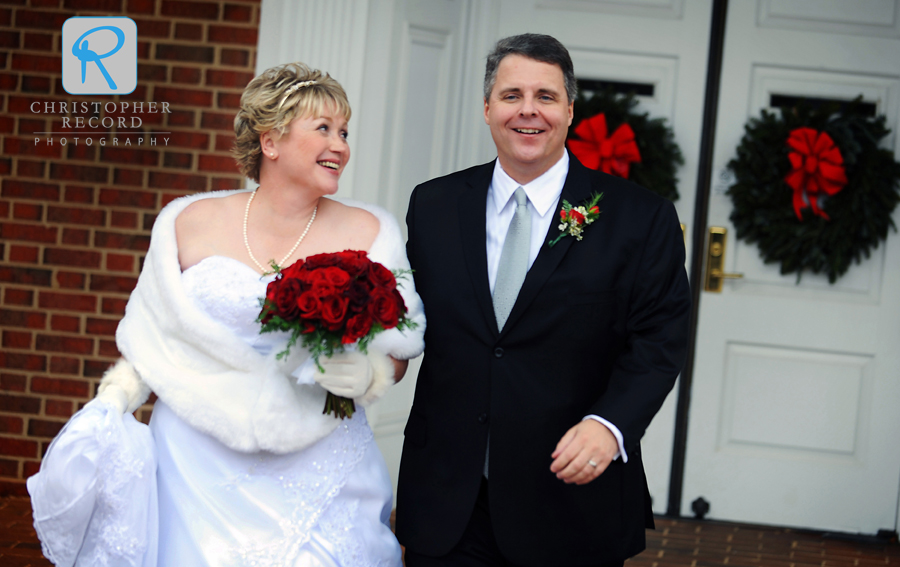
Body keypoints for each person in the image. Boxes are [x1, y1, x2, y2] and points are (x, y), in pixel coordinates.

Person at [28, 62, 425, 567]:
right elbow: (155, 334)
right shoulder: (188, 221)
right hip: (195, 460)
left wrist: (365, 373)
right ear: (271, 141)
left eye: (344, 131)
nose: (341, 145)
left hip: (317, 451)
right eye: (323, 129)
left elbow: (399, 349)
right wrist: (117, 396)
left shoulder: (371, 230)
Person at [396, 34, 691, 567]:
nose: (527, 110)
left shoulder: (638, 218)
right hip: (449, 501)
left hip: (570, 502)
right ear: (487, 108)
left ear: (570, 111)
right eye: (511, 95)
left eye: (546, 97)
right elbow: (407, 319)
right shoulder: (434, 204)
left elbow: (660, 339)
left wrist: (611, 425)